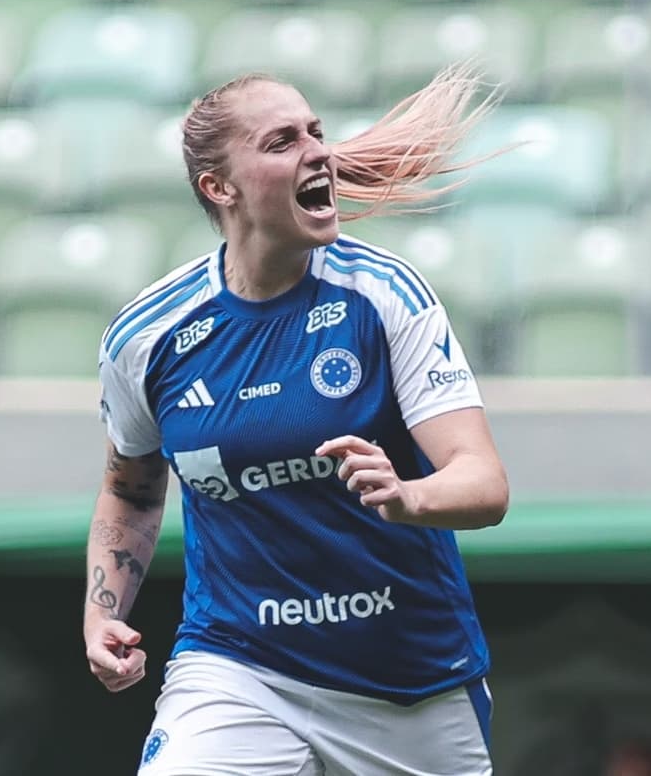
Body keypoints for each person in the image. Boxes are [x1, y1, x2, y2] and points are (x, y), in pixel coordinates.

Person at [83, 62, 510, 775]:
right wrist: (102, 613)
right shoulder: (147, 336)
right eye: (283, 142)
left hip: (410, 684)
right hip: (238, 668)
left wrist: (411, 495)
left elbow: (484, 483)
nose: (319, 151)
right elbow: (130, 489)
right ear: (219, 188)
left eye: (317, 132)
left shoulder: (384, 296)